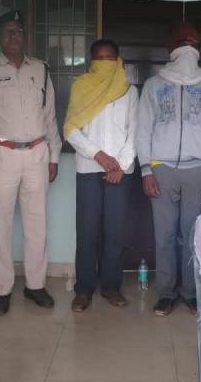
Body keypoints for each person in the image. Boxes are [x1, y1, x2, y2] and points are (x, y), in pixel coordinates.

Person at [0, 10, 62, 316]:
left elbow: (49, 116)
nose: (14, 36)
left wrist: (54, 155)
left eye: (19, 31)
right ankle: (1, 289)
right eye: (8, 31)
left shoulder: (40, 69)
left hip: (36, 154)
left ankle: (35, 285)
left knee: (37, 224)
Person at [136, 22, 201, 316]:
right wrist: (146, 170)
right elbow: (143, 131)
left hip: (197, 170)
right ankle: (166, 293)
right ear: (170, 48)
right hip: (161, 168)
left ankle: (191, 292)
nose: (188, 47)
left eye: (193, 43)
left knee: (192, 235)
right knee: (164, 235)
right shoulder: (154, 85)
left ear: (199, 49)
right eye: (182, 42)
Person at [65, 39, 138, 312]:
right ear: (91, 62)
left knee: (115, 232)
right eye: (99, 58)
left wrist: (120, 165)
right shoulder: (80, 87)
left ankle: (111, 287)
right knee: (87, 232)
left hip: (120, 172)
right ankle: (83, 289)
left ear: (118, 61)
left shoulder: (129, 91)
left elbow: (135, 132)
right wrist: (99, 156)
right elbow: (71, 129)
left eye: (109, 58)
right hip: (89, 168)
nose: (104, 63)